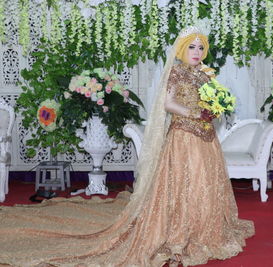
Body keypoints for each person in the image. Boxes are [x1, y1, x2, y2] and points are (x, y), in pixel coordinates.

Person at [0, 25, 254, 267]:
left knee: (204, 181)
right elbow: (167, 103)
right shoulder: (177, 72)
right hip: (184, 137)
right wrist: (192, 112)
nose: (197, 52)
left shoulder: (204, 74)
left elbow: (210, 101)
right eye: (192, 47)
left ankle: (204, 227)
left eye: (200, 48)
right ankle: (180, 229)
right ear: (182, 50)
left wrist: (214, 108)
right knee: (185, 181)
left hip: (205, 137)